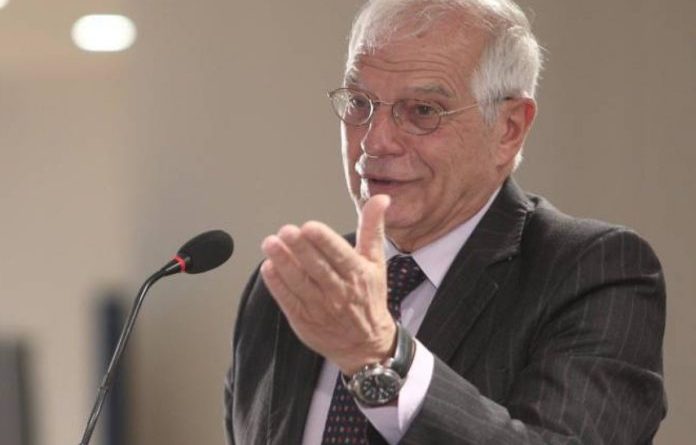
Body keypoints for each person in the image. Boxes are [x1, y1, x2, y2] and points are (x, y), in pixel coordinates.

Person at [224, 0, 666, 443]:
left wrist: (382, 356)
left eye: (422, 111)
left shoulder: (595, 274)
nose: (375, 141)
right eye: (360, 103)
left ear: (509, 129)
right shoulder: (292, 289)